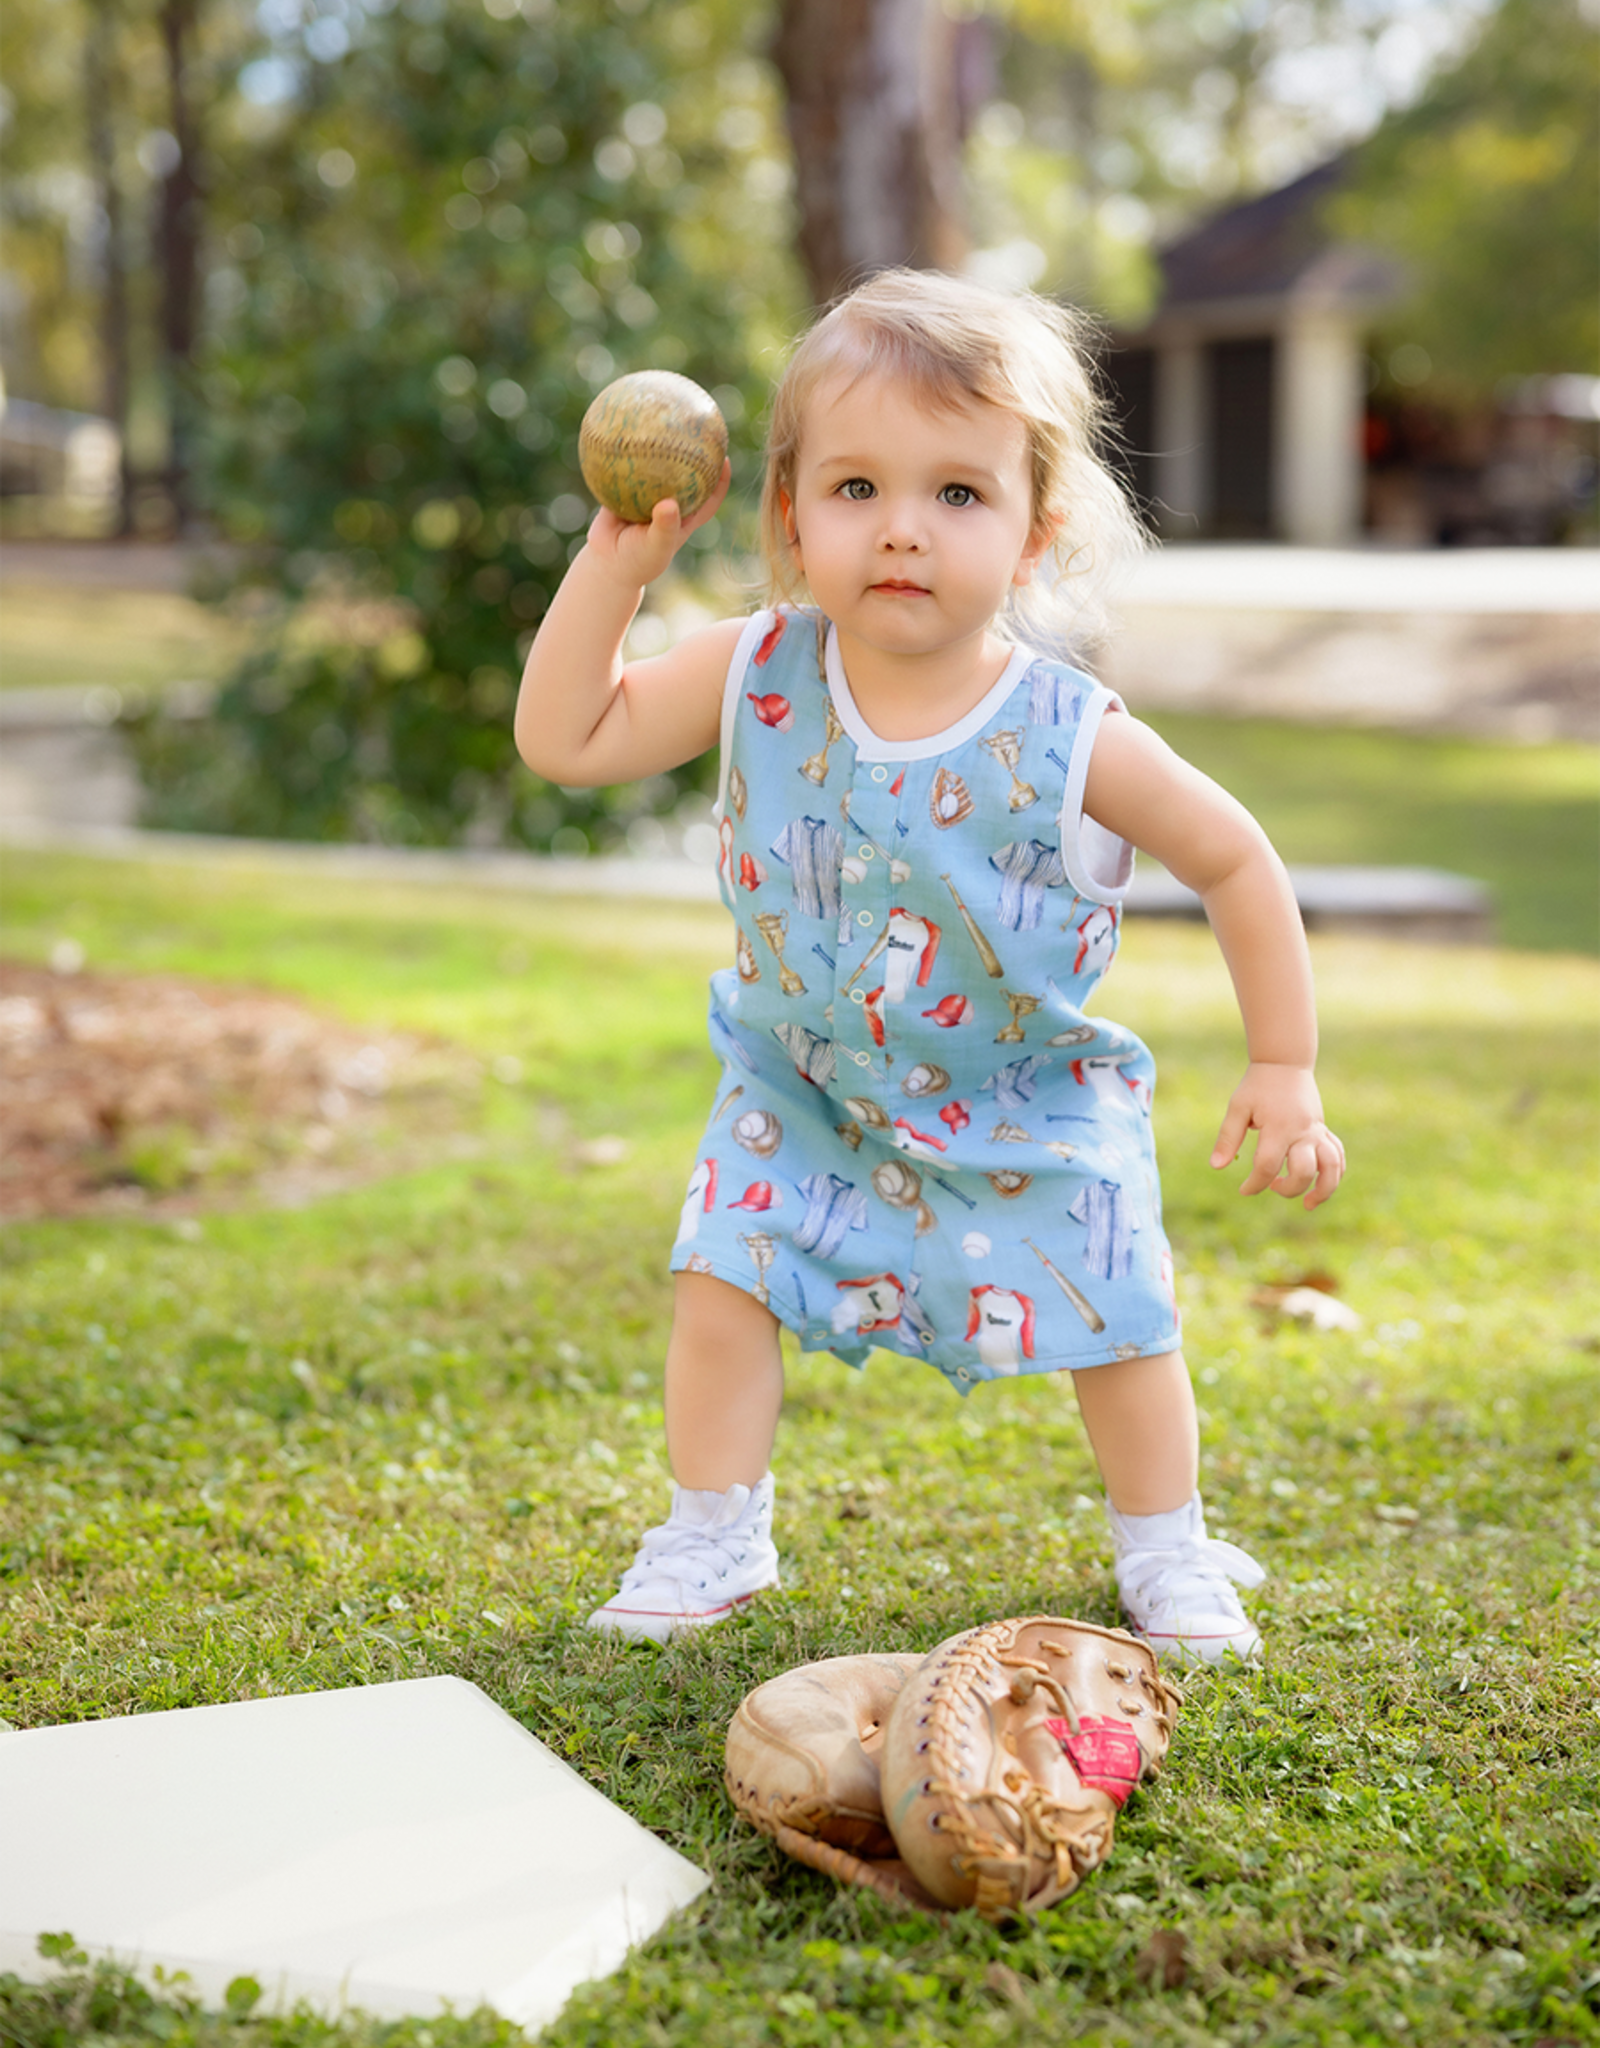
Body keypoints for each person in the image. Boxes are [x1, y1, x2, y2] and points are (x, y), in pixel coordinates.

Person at [515, 269, 1345, 1664]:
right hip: (807, 1091)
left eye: (958, 495)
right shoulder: (755, 670)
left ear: (1036, 531)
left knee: (1122, 1321)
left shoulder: (1070, 728)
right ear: (790, 515)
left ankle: (1169, 1549)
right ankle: (714, 1530)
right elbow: (570, 738)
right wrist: (617, 568)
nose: (903, 530)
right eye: (856, 489)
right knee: (722, 1273)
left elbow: (1237, 858)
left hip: (1024, 1095)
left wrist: (1285, 1066)